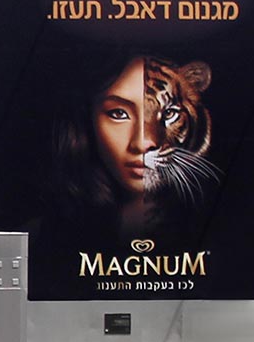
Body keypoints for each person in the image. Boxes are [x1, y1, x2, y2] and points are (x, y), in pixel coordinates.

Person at [47, 51, 217, 239]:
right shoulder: (39, 235)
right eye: (119, 113)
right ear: (87, 119)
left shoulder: (220, 228)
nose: (145, 143)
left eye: (169, 114)